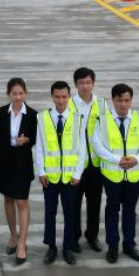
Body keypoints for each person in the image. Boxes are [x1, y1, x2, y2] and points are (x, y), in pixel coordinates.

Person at [91, 83, 139, 264]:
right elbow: (97, 145)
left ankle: (129, 245)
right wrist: (117, 159)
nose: (123, 105)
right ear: (113, 100)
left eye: (127, 100)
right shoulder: (102, 120)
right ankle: (113, 246)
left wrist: (137, 159)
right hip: (112, 175)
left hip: (133, 175)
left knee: (130, 211)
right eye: (119, 100)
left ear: (131, 100)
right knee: (112, 210)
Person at [34, 80, 86, 265]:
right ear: (52, 97)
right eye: (57, 96)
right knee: (50, 213)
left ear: (69, 97)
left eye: (64, 96)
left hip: (70, 177)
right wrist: (41, 171)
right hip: (51, 176)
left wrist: (78, 174)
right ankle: (51, 247)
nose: (61, 100)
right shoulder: (42, 118)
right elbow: (39, 147)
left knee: (70, 213)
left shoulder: (78, 118)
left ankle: (68, 247)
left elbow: (82, 149)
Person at [0, 77, 38, 265]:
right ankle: (13, 235)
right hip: (4, 164)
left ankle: (21, 243)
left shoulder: (32, 114)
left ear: (25, 93)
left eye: (21, 93)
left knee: (22, 201)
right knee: (8, 199)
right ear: (8, 94)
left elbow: (35, 139)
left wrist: (25, 141)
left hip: (22, 164)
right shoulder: (1, 112)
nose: (18, 97)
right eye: (14, 93)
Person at [71, 67, 107, 253]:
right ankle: (74, 237)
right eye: (81, 83)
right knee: (74, 203)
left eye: (88, 82)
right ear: (75, 84)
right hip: (77, 164)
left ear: (93, 83)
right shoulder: (70, 104)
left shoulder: (101, 104)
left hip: (95, 164)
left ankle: (92, 236)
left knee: (95, 202)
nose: (85, 86)